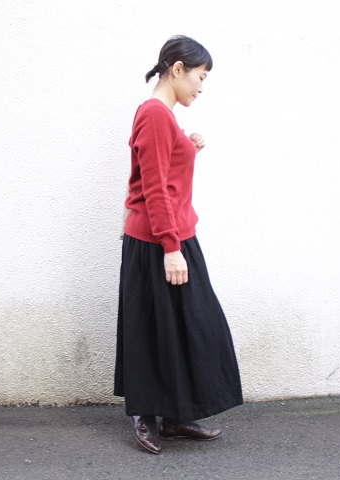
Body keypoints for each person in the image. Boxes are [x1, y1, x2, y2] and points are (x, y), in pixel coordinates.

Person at [114, 35, 243, 455]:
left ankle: (173, 418)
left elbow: (164, 172)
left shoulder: (164, 117)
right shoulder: (154, 114)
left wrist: (188, 147)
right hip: (159, 241)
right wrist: (171, 248)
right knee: (152, 330)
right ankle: (144, 415)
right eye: (200, 77)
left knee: (186, 329)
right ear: (177, 70)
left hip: (175, 235)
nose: (201, 87)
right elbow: (153, 187)